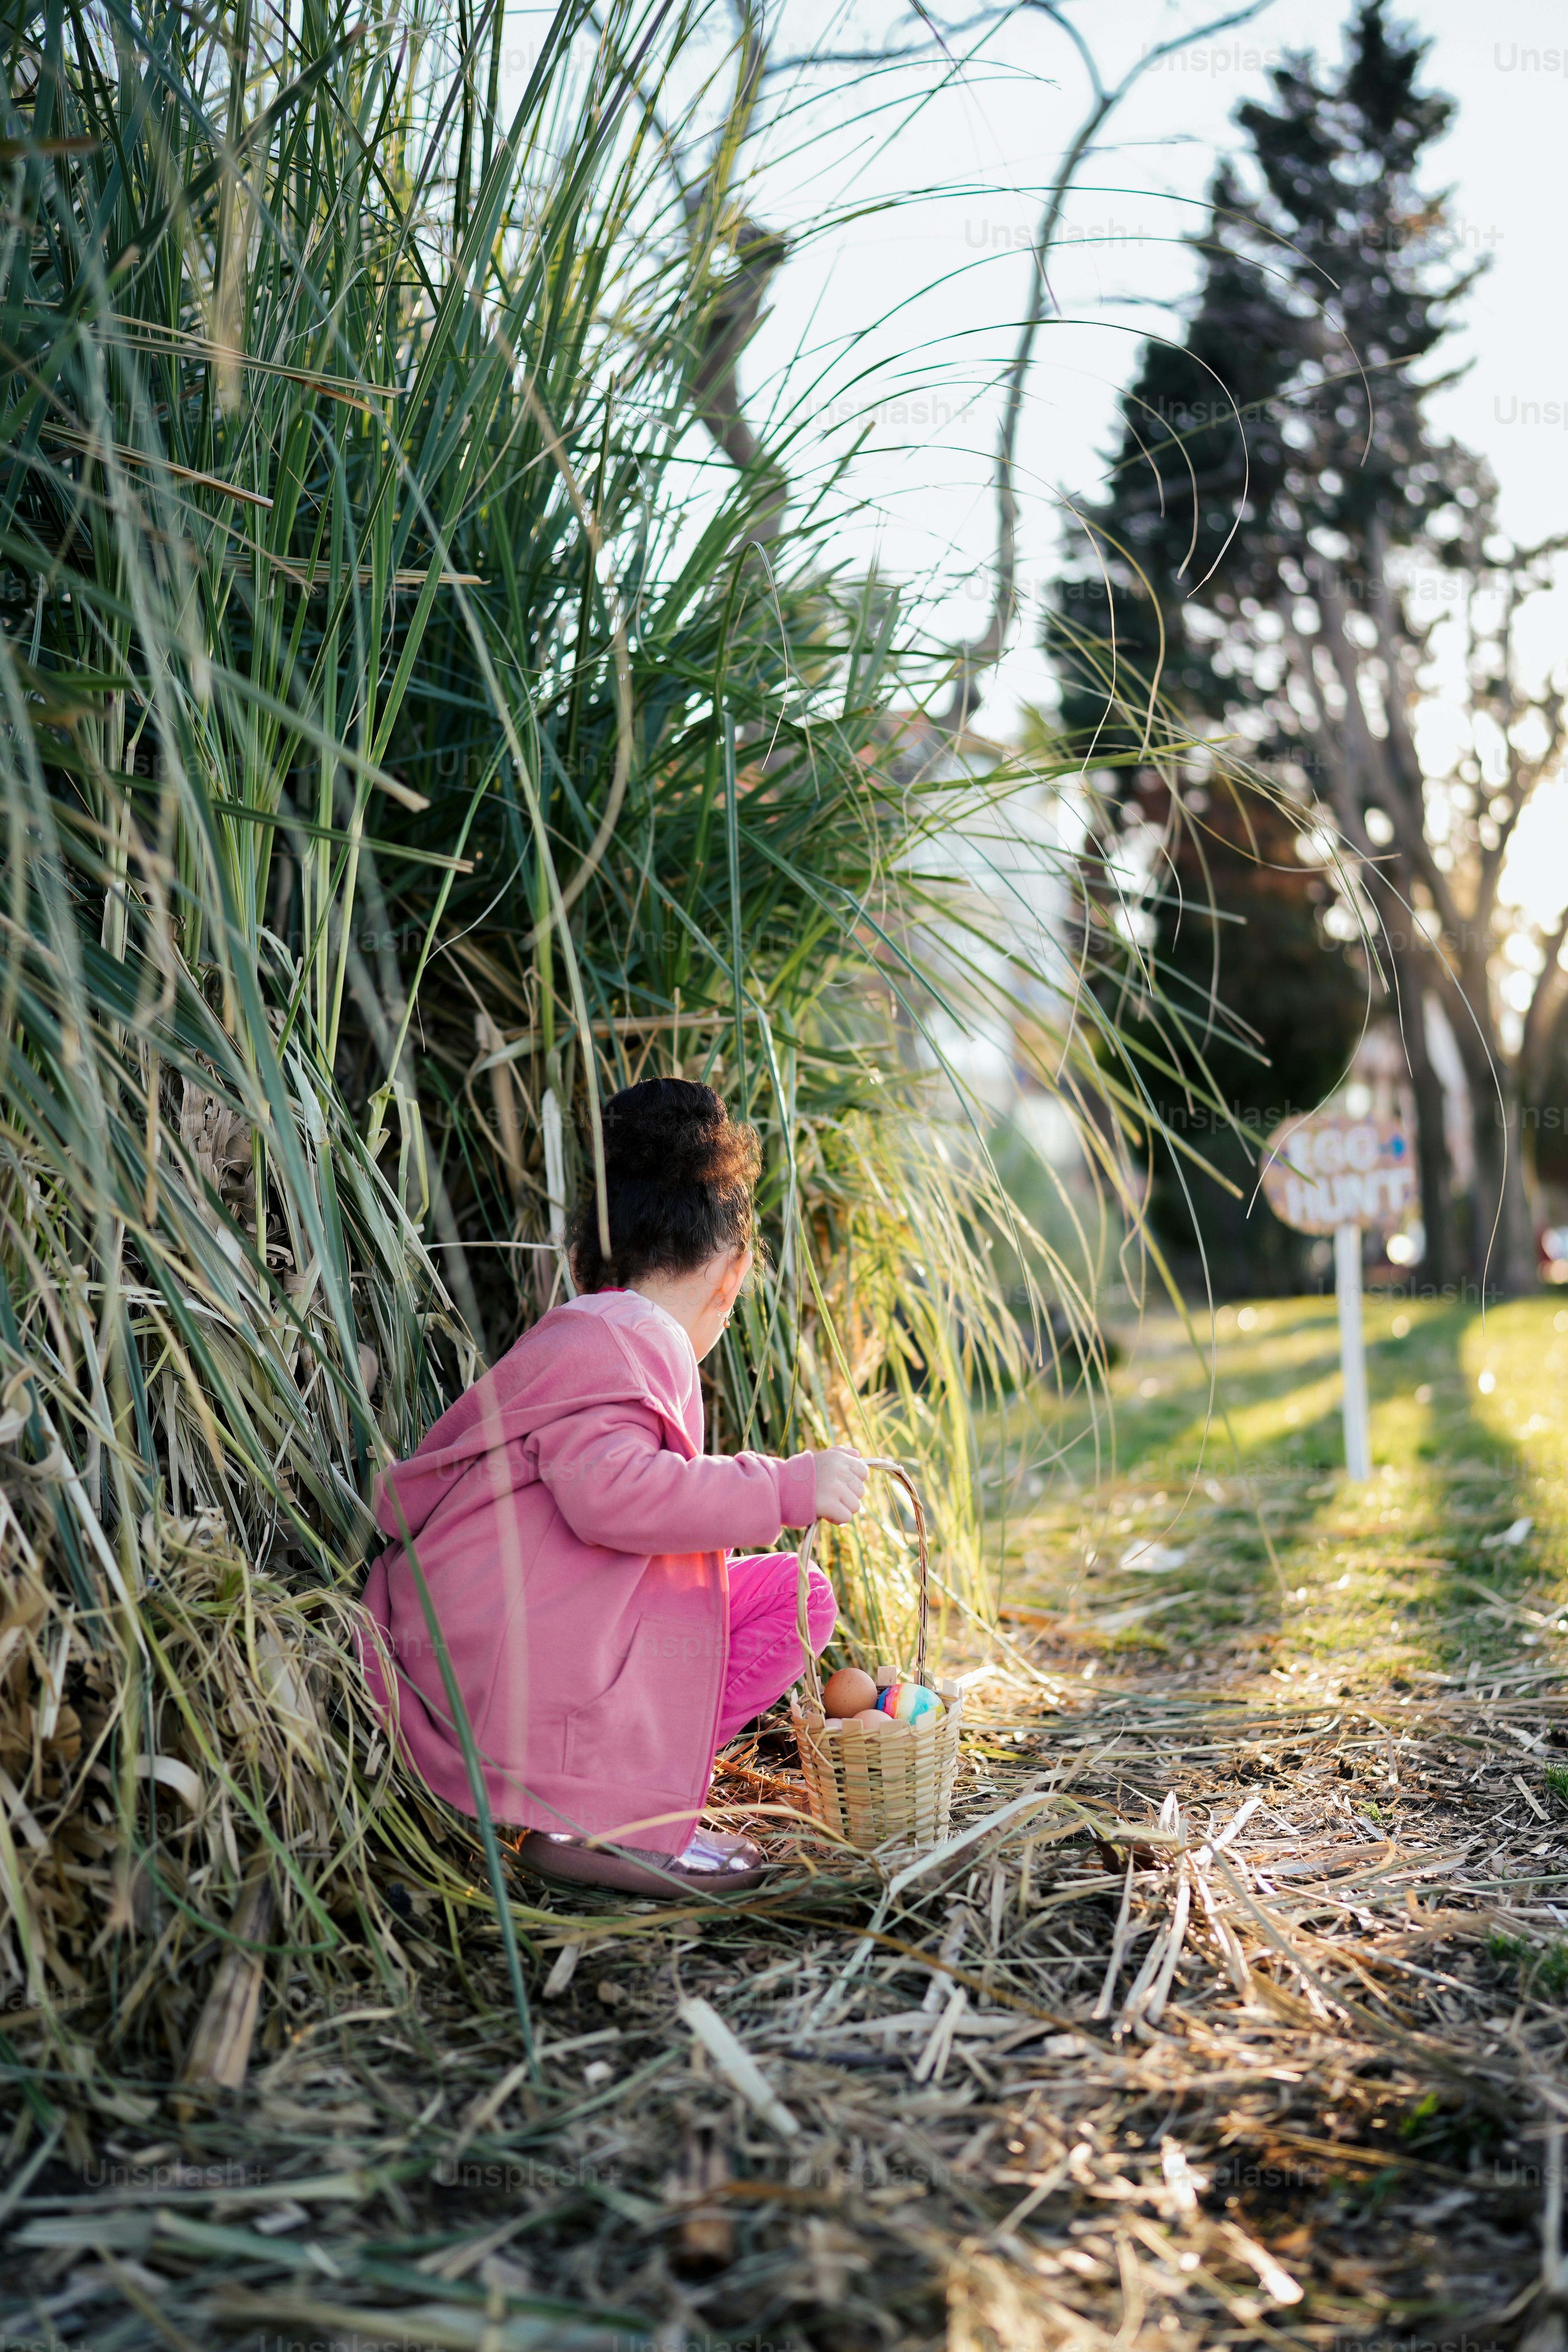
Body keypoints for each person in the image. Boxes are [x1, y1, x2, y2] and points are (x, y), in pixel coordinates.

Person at [358, 1077, 867, 1896]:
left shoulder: (587, 1336)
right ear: (730, 1276)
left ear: (582, 1257)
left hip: (508, 1643)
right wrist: (784, 1487)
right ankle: (608, 1825)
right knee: (787, 1600)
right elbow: (616, 1497)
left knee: (794, 1598)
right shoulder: (617, 1346)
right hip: (500, 1672)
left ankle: (628, 1797)